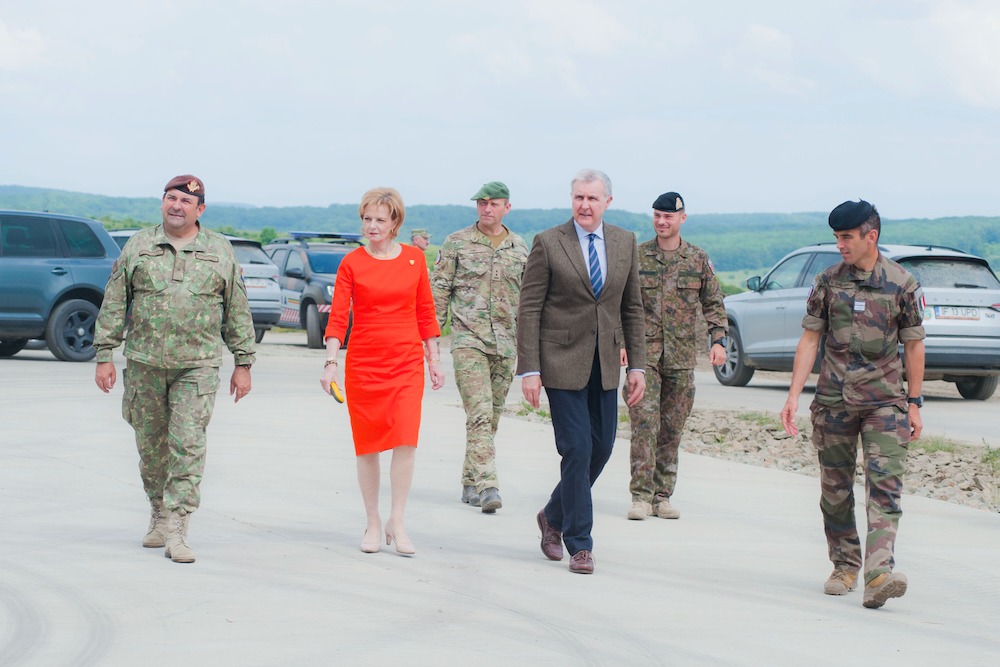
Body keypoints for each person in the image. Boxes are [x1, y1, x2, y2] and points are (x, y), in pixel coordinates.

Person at [94, 174, 256, 564]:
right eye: (171, 198)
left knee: (187, 445)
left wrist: (243, 363)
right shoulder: (138, 245)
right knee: (151, 448)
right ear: (162, 203)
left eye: (185, 200)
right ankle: (159, 512)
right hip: (145, 363)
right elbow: (115, 301)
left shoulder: (220, 250)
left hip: (197, 366)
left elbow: (236, 308)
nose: (176, 205)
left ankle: (179, 526)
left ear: (200, 209)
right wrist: (104, 355)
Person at [780, 199, 925, 609]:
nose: (840, 245)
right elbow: (810, 339)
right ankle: (844, 565)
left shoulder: (902, 284)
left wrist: (914, 403)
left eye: (846, 237)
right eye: (837, 238)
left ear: (870, 236)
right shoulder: (828, 282)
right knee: (835, 491)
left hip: (885, 403)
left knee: (885, 489)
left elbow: (914, 346)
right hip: (833, 401)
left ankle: (879, 573)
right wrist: (794, 395)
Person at [516, 168, 646, 574]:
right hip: (560, 361)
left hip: (605, 362)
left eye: (592, 198)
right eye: (578, 198)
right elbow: (529, 308)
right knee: (577, 448)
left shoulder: (625, 242)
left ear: (607, 201)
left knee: (602, 448)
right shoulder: (549, 242)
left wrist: (637, 364)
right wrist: (530, 370)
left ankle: (551, 514)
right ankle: (580, 542)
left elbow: (632, 308)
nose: (584, 205)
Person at [320, 187, 445, 556]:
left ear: (395, 224)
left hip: (406, 364)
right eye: (366, 219)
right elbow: (338, 317)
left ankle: (398, 520)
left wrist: (433, 360)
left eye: (379, 219)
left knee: (406, 440)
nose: (371, 226)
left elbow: (426, 311)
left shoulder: (414, 260)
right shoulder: (352, 263)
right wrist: (331, 364)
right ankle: (373, 522)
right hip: (365, 365)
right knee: (368, 445)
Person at [624, 192, 728, 521]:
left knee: (672, 428)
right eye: (657, 215)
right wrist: (621, 342)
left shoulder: (697, 259)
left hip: (682, 358)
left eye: (668, 216)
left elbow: (713, 303)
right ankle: (640, 496)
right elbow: (622, 303)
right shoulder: (637, 257)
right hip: (645, 356)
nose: (662, 221)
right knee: (644, 424)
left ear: (682, 218)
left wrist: (718, 340)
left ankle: (662, 495)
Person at [431, 181, 528, 513]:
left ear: (507, 208)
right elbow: (439, 291)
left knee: (493, 417)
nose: (487, 208)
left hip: (506, 344)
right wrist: (431, 346)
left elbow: (528, 301)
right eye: (482, 203)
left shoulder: (519, 247)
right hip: (468, 340)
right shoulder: (457, 243)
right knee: (480, 414)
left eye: (494, 203)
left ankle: (470, 481)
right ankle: (488, 486)